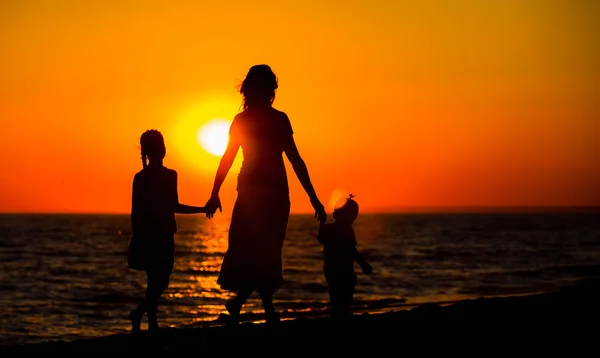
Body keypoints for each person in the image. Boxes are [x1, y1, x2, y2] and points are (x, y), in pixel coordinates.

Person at [205, 64, 327, 324]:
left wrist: (313, 196)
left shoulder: (256, 120)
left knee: (258, 250)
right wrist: (214, 192)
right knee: (264, 250)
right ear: (270, 89)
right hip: (266, 194)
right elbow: (295, 160)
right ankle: (258, 307)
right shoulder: (273, 119)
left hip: (260, 193)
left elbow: (294, 160)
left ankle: (245, 303)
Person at [127, 129, 212, 334]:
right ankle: (145, 318)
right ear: (160, 150)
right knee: (160, 280)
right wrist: (202, 209)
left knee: (155, 280)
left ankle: (145, 318)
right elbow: (170, 206)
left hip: (154, 234)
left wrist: (137, 235)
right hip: (159, 235)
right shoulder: (159, 176)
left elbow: (136, 212)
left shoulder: (145, 177)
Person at [317, 194, 372, 319]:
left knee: (335, 292)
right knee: (345, 291)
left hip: (330, 268)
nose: (351, 221)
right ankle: (342, 313)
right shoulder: (347, 231)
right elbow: (352, 249)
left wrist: (322, 222)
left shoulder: (329, 228)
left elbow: (321, 239)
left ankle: (338, 313)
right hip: (344, 269)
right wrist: (363, 263)